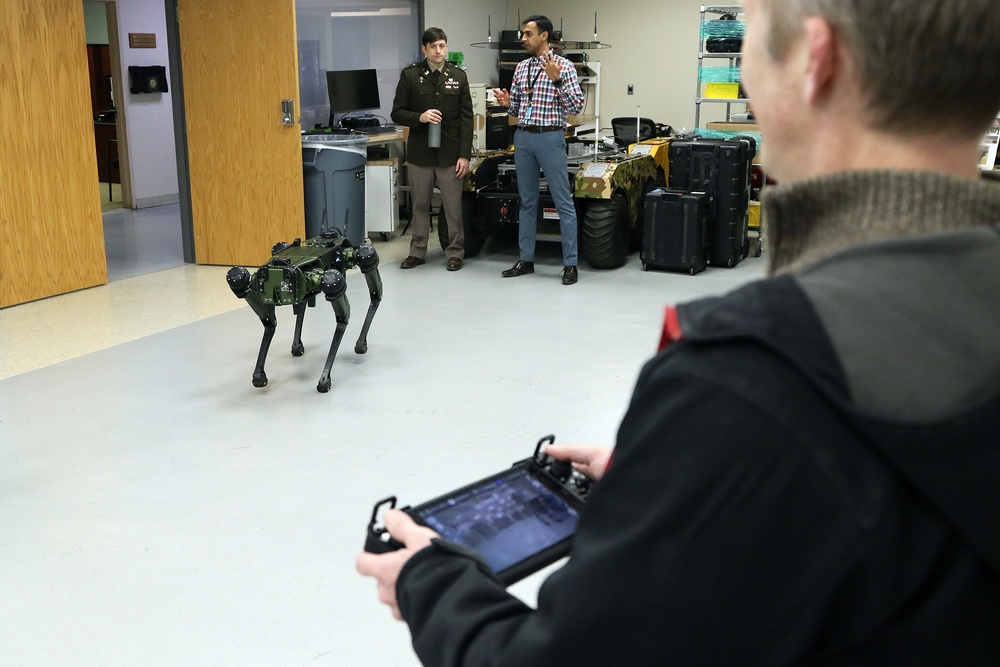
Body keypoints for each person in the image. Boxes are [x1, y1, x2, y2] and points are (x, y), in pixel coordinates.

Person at [358, 0, 1000, 662]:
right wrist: (680, 482)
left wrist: (432, 582)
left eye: (750, 34)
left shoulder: (743, 379)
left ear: (816, 60)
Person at [492, 15, 585, 285]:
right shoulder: (521, 68)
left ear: (544, 35)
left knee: (562, 201)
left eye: (528, 33)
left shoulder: (564, 67)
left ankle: (570, 265)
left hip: (550, 137)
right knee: (527, 202)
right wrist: (507, 102)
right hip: (524, 137)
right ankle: (526, 259)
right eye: (523, 33)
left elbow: (576, 107)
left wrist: (557, 81)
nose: (523, 38)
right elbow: (518, 108)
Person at [391, 28, 474, 271]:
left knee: (453, 206)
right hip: (421, 153)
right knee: (419, 204)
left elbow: (467, 119)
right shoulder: (410, 75)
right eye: (434, 47)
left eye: (443, 46)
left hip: (450, 153)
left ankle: (455, 252)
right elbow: (397, 112)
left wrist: (464, 155)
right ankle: (417, 251)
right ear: (424, 49)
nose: (439, 51)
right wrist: (421, 116)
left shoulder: (458, 76)